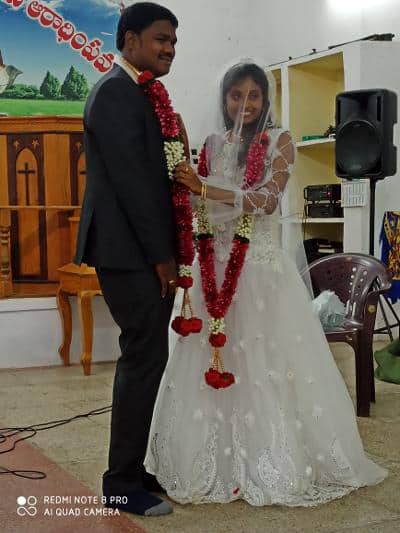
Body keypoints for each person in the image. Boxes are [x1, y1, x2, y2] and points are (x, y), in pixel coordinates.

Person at [144, 62, 387, 506]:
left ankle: (275, 459)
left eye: (253, 96)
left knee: (266, 364)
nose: (245, 104)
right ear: (224, 98)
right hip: (213, 270)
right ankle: (205, 459)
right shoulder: (214, 144)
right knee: (209, 360)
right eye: (236, 95)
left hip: (260, 271)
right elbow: (199, 206)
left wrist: (205, 187)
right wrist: (188, 184)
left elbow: (267, 200)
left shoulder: (281, 141)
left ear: (266, 100)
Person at [74, 2, 180, 516]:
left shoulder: (131, 90)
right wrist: (163, 258)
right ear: (130, 38)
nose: (169, 49)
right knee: (143, 358)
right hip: (128, 249)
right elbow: (135, 185)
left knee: (147, 357)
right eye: (161, 39)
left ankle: (131, 469)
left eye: (174, 42)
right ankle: (119, 483)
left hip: (134, 247)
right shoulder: (116, 93)